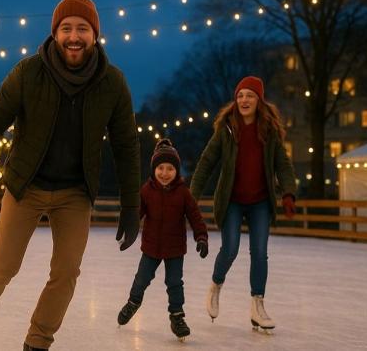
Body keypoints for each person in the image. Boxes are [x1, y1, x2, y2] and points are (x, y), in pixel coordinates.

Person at [0, 0, 141, 351]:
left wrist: (132, 205)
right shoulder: (29, 73)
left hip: (76, 194)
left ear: (95, 35)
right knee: (4, 266)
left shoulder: (112, 83)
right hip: (25, 186)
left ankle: (37, 342)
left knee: (66, 274)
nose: (74, 37)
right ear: (55, 33)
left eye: (83, 29)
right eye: (67, 28)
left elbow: (125, 147)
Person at [189, 76, 296, 332]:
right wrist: (191, 197)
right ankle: (216, 285)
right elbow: (206, 163)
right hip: (232, 201)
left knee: (260, 253)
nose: (244, 100)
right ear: (235, 100)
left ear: (259, 100)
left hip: (260, 201)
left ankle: (257, 305)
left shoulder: (269, 131)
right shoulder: (226, 129)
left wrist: (289, 192)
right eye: (240, 96)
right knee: (231, 249)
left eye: (249, 95)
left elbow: (282, 164)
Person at [117, 139, 208, 341]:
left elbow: (195, 216)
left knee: (175, 283)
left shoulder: (183, 193)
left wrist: (201, 237)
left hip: (175, 250)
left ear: (176, 170)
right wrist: (128, 229)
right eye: (160, 168)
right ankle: (133, 303)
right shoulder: (146, 191)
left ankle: (177, 317)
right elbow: (137, 213)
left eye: (170, 168)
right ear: (154, 169)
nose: (165, 173)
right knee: (141, 279)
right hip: (150, 248)